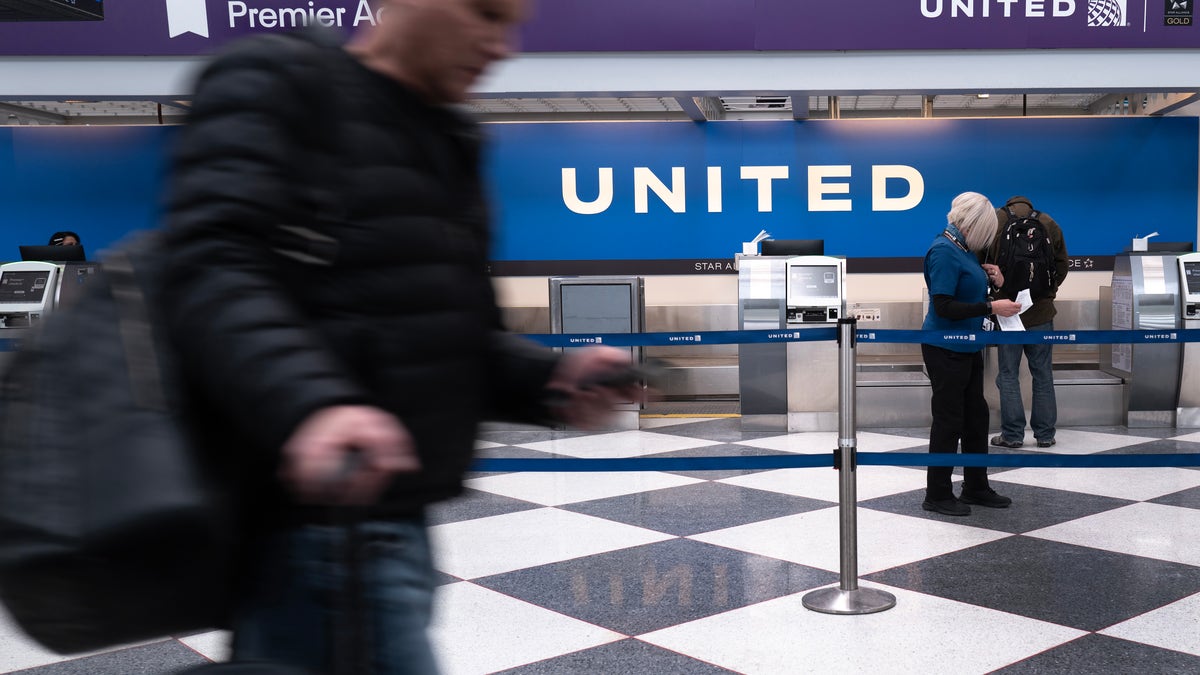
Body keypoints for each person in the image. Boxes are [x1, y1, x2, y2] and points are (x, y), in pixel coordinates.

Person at [159, 1, 635, 672]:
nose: (503, 47)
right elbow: (213, 271)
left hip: (400, 518)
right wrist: (313, 404)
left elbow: (454, 336)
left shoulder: (450, 138)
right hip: (314, 519)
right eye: (485, 13)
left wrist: (549, 380)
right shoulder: (277, 83)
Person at [921, 192, 1021, 517]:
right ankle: (937, 493)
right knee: (949, 421)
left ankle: (976, 486)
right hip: (945, 348)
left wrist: (993, 281)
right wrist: (991, 306)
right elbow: (944, 305)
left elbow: (968, 291)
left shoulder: (965, 251)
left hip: (968, 345)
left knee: (976, 417)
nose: (987, 239)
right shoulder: (944, 251)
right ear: (973, 224)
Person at [987, 195, 1069, 449]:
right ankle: (1045, 434)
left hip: (1007, 310)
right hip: (1041, 312)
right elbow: (1062, 265)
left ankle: (1012, 435)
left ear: (1009, 205)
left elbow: (983, 262)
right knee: (1042, 373)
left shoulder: (996, 221)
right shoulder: (1048, 222)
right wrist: (1045, 294)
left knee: (1009, 374)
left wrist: (996, 295)